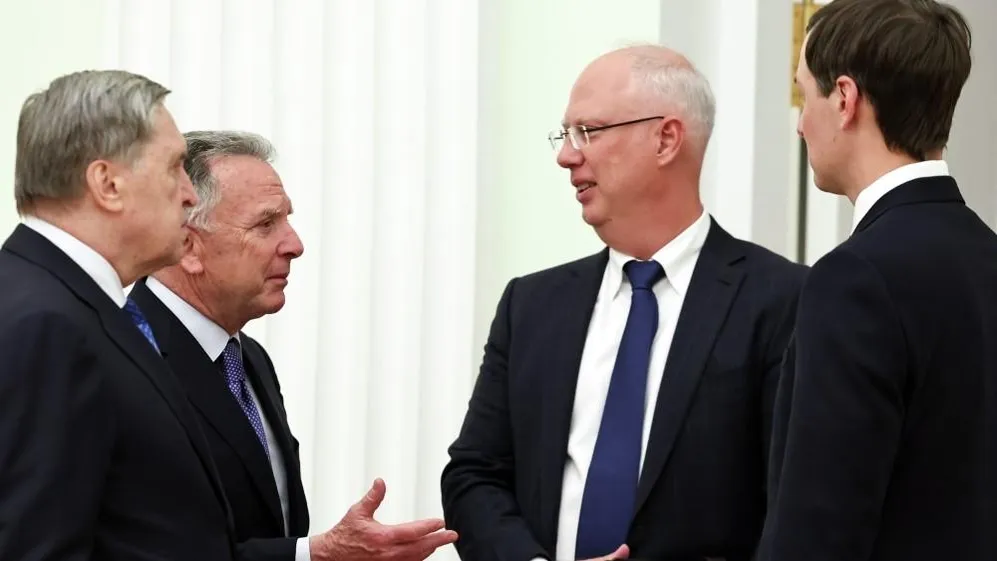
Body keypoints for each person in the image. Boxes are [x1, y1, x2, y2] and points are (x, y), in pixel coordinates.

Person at [441, 45, 808, 561]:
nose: (566, 156)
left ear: (666, 139)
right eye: (566, 135)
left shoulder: (784, 301)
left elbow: (795, 509)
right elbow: (475, 474)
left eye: (587, 131)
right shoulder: (531, 306)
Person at [127, 130, 459, 561]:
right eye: (266, 224)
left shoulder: (248, 359)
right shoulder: (124, 356)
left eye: (287, 220)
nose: (295, 245)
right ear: (188, 246)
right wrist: (315, 554)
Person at [756, 1, 997, 560]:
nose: (800, 123)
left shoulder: (855, 280)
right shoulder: (987, 256)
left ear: (845, 99)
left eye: (804, 95)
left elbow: (819, 529)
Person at [0, 71, 236, 559]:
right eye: (174, 167)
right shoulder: (46, 324)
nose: (191, 194)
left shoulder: (63, 302)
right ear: (107, 184)